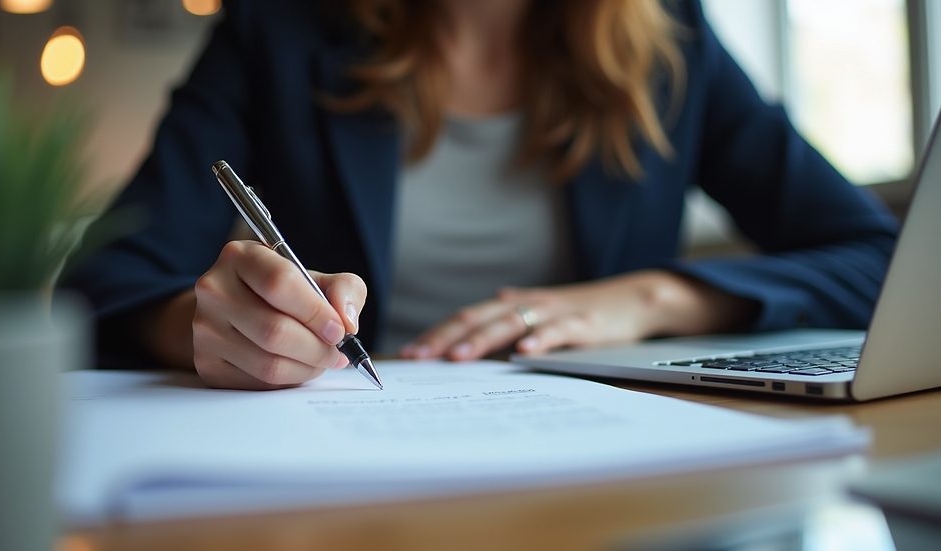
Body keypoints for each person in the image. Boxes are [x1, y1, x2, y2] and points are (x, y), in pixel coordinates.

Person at [61, 0, 899, 390]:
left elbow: (880, 260)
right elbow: (101, 285)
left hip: (613, 478)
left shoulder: (670, 41)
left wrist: (655, 297)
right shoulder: (275, 31)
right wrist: (204, 330)